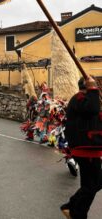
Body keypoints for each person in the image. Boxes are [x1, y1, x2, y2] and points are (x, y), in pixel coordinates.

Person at [61, 76, 102, 219]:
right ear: (88, 86)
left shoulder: (90, 100)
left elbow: (96, 115)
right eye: (95, 86)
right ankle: (76, 211)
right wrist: (93, 89)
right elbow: (93, 109)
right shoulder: (79, 98)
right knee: (92, 185)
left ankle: (73, 208)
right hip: (86, 149)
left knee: (91, 185)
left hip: (92, 149)